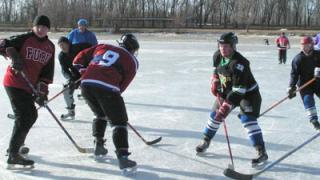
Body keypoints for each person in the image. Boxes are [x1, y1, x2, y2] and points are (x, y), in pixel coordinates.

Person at [196, 32, 268, 167]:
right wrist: (215, 80)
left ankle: (261, 151)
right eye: (221, 45)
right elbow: (216, 71)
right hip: (227, 91)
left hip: (248, 94)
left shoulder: (240, 64)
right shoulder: (217, 55)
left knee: (247, 119)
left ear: (234, 47)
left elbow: (239, 91)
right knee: (215, 115)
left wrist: (226, 106)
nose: (223, 48)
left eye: (227, 46)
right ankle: (206, 140)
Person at [72, 33, 139, 171]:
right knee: (119, 122)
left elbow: (77, 60)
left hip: (86, 85)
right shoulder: (132, 61)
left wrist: (84, 71)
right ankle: (123, 157)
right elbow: (122, 86)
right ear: (133, 48)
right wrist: (112, 102)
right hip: (107, 89)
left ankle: (99, 145)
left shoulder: (103, 46)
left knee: (99, 114)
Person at [0, 15, 55, 168]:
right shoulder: (24, 38)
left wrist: (42, 93)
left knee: (31, 115)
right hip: (14, 82)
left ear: (48, 29)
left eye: (45, 27)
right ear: (34, 26)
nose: (41, 29)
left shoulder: (50, 46)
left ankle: (15, 147)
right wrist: (14, 57)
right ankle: (13, 153)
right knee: (24, 116)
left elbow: (46, 74)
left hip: (29, 85)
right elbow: (4, 44)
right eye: (39, 26)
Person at [287, 36, 320, 130]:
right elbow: (294, 75)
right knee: (308, 100)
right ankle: (314, 120)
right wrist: (291, 87)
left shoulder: (318, 55)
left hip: (317, 82)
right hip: (304, 85)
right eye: (303, 45)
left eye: (307, 45)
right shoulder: (298, 59)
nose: (305, 47)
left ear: (312, 45)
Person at [57, 36, 92, 120]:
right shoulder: (61, 56)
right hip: (76, 76)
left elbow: (92, 47)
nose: (62, 47)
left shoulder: (79, 48)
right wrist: (70, 79)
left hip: (89, 73)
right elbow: (64, 70)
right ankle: (71, 112)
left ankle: (102, 113)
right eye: (60, 45)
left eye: (64, 44)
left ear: (68, 43)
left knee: (94, 92)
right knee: (66, 89)